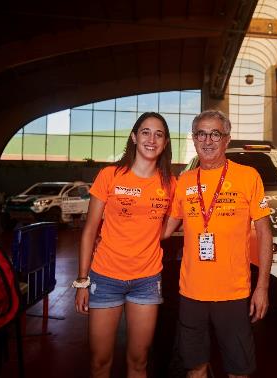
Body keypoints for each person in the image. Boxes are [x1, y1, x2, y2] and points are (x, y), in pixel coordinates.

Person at [162, 109, 273, 378]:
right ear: (194, 138)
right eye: (201, 133)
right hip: (191, 293)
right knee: (195, 367)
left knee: (238, 370)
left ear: (227, 140)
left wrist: (262, 288)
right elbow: (163, 230)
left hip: (233, 293)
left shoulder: (248, 177)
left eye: (215, 134)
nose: (208, 140)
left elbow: (265, 233)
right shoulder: (184, 181)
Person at [73, 112, 175, 378]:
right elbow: (89, 231)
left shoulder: (170, 184)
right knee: (100, 361)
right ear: (134, 137)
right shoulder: (110, 176)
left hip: (146, 280)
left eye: (159, 134)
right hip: (105, 278)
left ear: (165, 143)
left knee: (139, 360)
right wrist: (82, 281)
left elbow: (164, 229)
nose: (151, 139)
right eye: (145, 132)